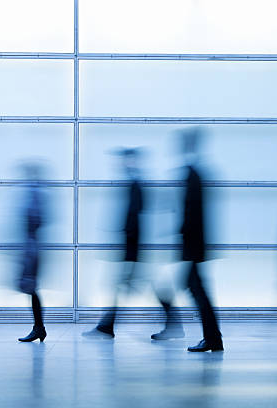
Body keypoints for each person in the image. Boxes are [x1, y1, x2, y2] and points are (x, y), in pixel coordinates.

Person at [83, 148, 183, 339]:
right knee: (139, 285)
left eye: (125, 160)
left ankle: (107, 326)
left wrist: (126, 239)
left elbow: (134, 217)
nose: (121, 164)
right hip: (134, 245)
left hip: (133, 246)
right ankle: (108, 326)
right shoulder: (136, 184)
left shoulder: (136, 185)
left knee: (125, 285)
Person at [180, 128, 223, 352]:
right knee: (195, 288)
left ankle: (213, 338)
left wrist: (182, 233)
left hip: (193, 246)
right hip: (196, 245)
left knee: (197, 289)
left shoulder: (191, 174)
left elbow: (191, 214)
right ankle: (213, 337)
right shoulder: (197, 173)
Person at [17, 164, 47, 342]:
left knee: (31, 287)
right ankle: (39, 327)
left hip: (32, 248)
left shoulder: (35, 195)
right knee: (31, 288)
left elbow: (36, 221)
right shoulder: (35, 194)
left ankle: (39, 328)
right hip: (31, 246)